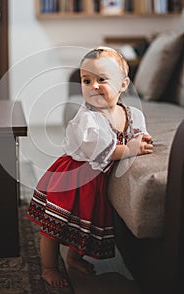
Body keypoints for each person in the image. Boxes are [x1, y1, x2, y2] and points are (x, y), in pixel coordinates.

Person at [26, 46, 153, 288]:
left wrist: (142, 140)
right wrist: (131, 149)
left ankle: (74, 258)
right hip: (73, 178)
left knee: (85, 226)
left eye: (102, 79)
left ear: (123, 85)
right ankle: (49, 267)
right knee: (55, 224)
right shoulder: (89, 119)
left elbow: (138, 132)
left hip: (95, 182)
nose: (93, 86)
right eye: (87, 80)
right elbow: (102, 151)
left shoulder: (132, 113)